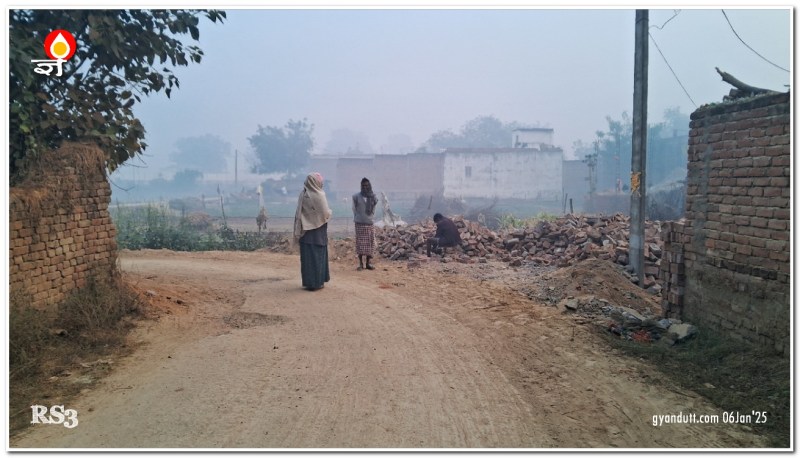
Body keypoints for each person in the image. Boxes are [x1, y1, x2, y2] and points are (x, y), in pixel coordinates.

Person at [293, 173, 332, 291]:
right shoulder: (319, 195)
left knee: (307, 258)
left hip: (305, 231)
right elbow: (325, 213)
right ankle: (317, 283)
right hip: (317, 233)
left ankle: (309, 283)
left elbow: (299, 213)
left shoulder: (303, 194)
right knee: (317, 256)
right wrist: (330, 212)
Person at [352, 177, 378, 271]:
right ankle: (360, 264)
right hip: (359, 224)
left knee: (370, 244)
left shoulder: (373, 197)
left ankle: (367, 263)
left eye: (367, 185)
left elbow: (374, 209)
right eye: (363, 185)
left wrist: (370, 217)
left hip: (369, 223)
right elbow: (354, 209)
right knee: (360, 244)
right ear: (361, 186)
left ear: (369, 186)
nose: (365, 187)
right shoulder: (356, 197)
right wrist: (358, 217)